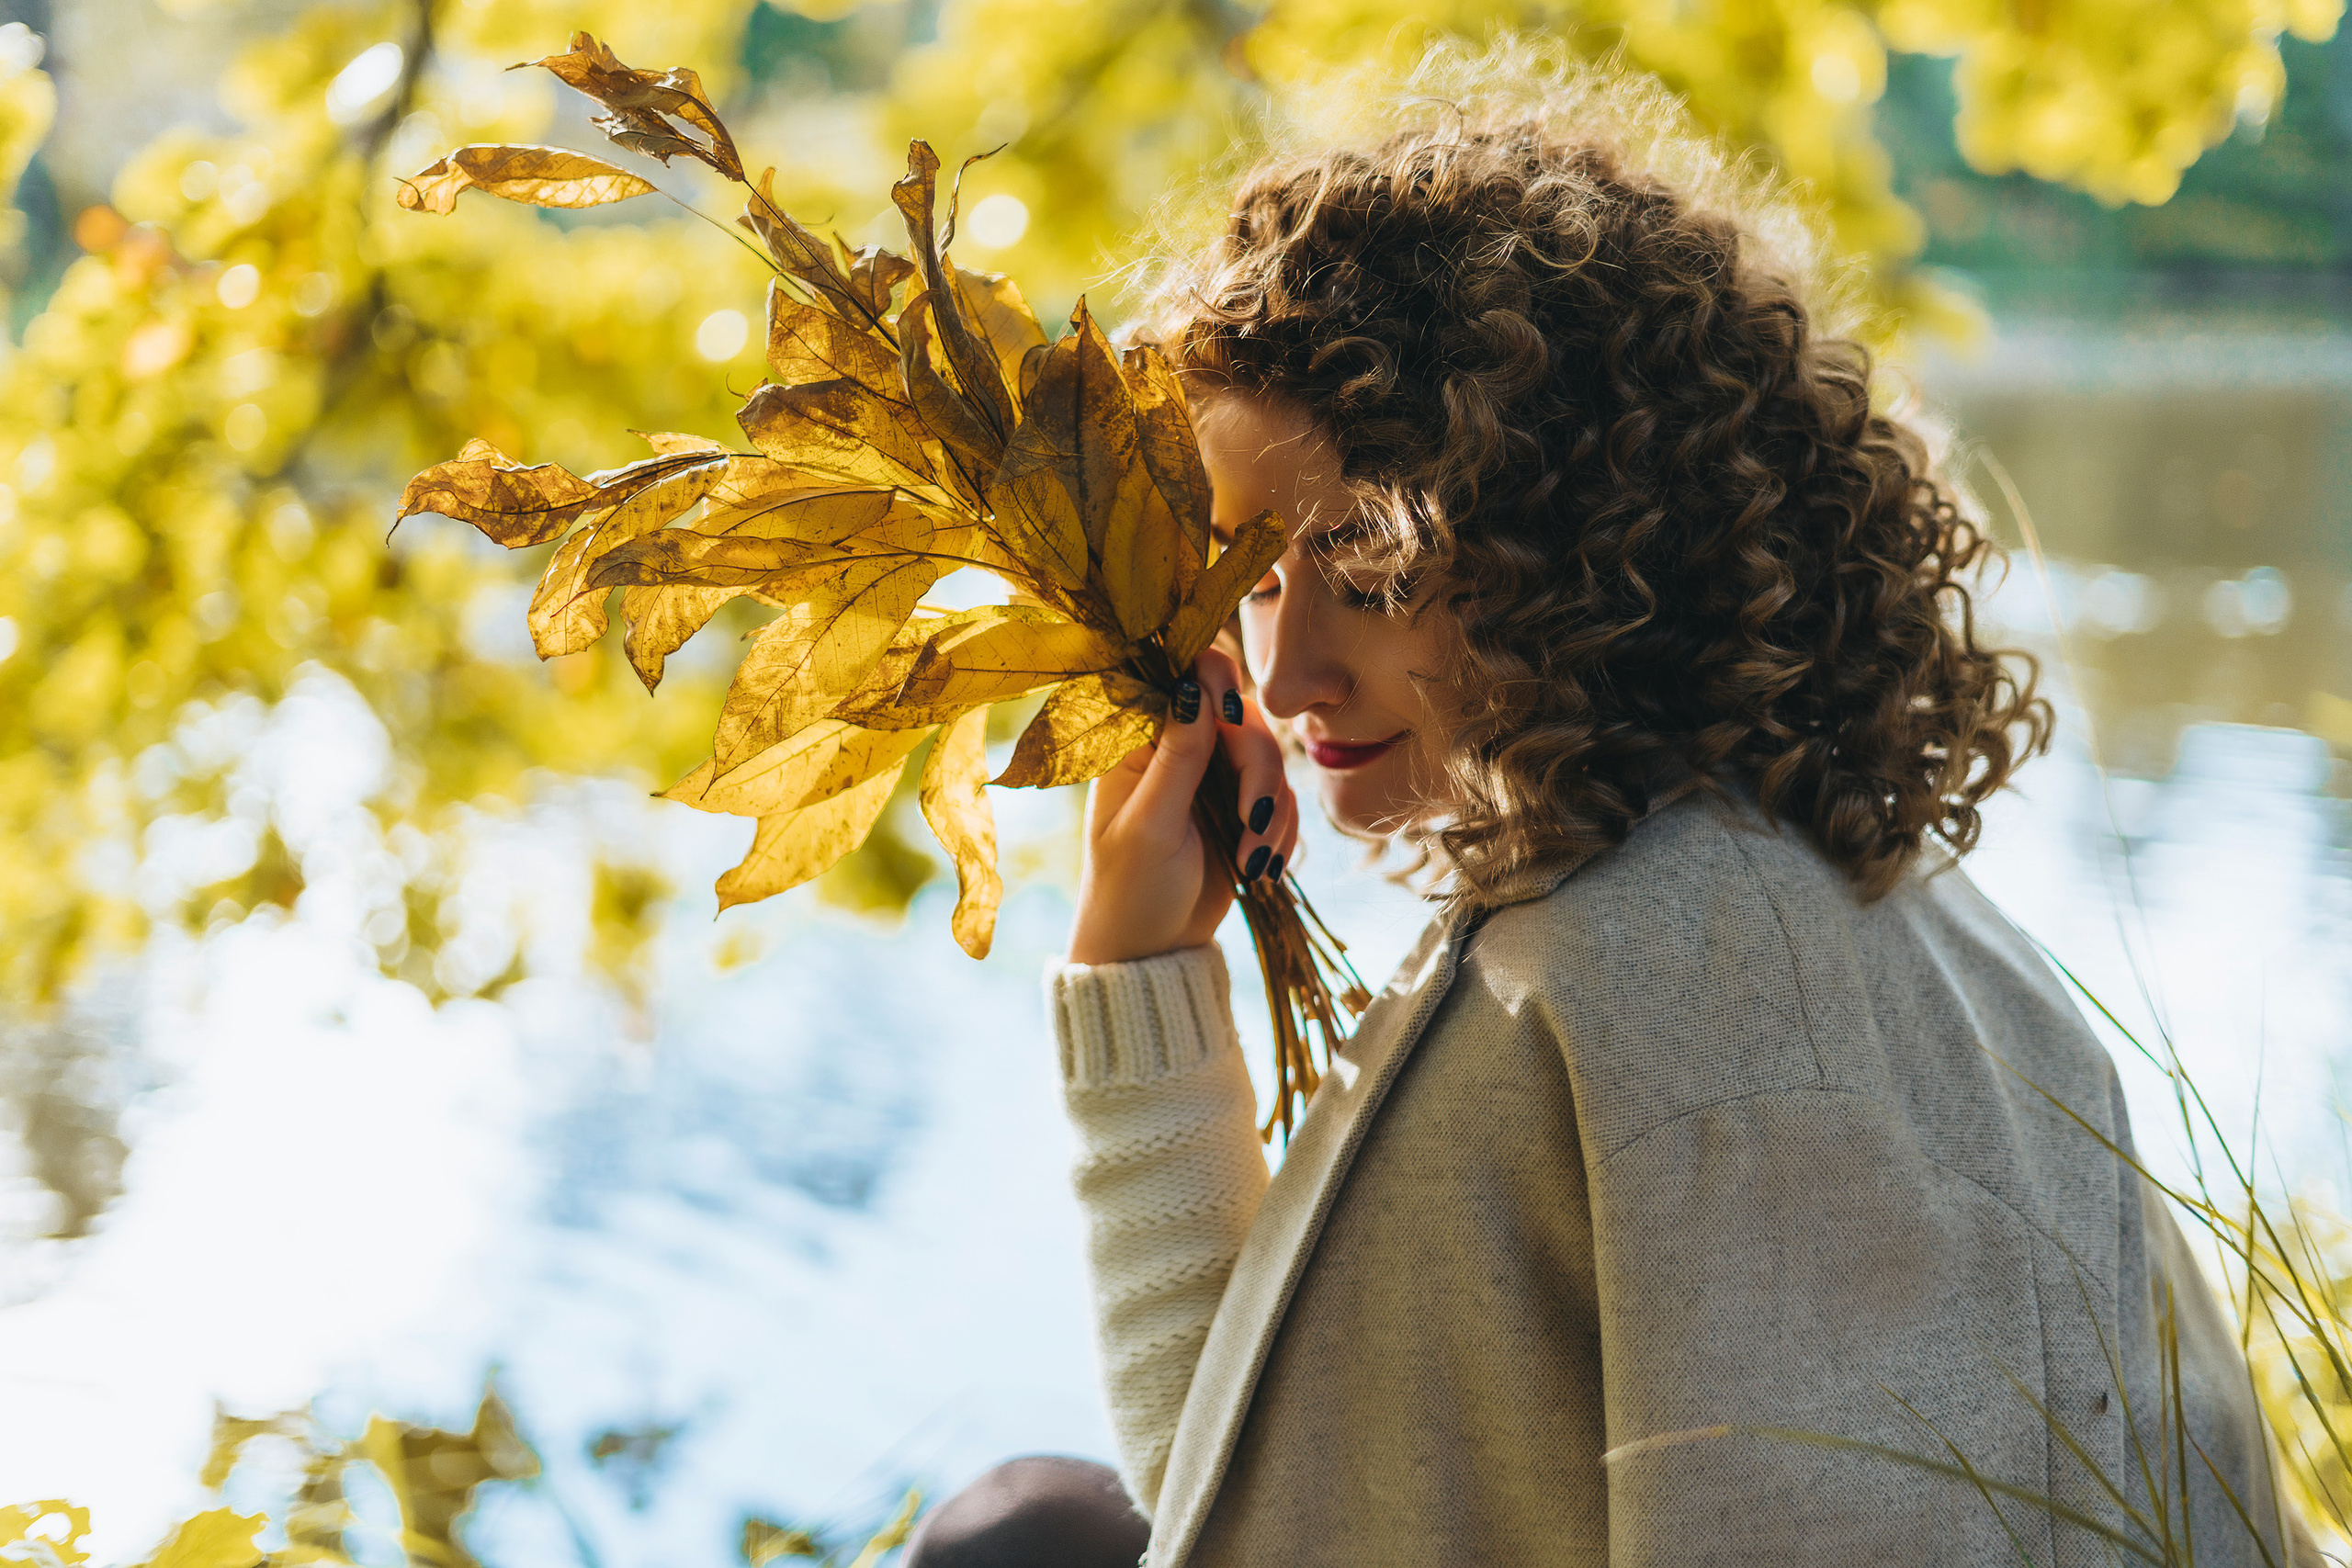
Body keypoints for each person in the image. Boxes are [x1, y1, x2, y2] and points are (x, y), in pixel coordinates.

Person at [908, 42, 2316, 1568]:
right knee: (1026, 1525)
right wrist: (1144, 979)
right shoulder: (1809, 883)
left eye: (1366, 569)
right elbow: (1288, 1487)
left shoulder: (1650, 987)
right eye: (1244, 579)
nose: (1285, 670)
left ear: (1582, 545)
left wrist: (1140, 984)